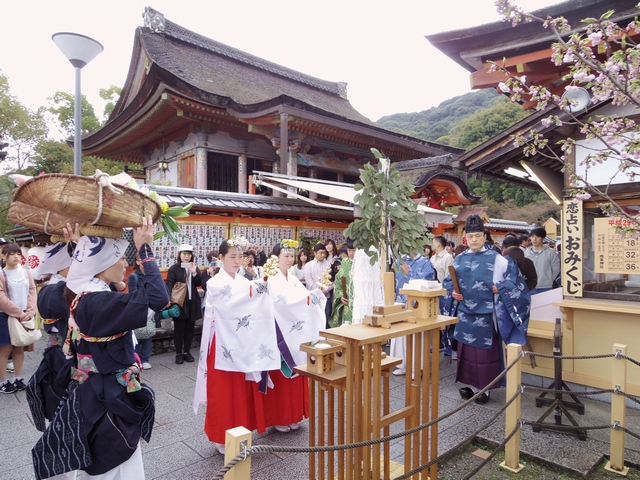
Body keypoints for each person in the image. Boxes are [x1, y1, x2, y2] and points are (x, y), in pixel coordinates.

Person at [33, 216, 169, 479]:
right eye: (120, 258)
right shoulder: (100, 304)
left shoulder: (79, 296)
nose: (125, 264)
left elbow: (81, 280)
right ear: (104, 265)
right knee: (116, 459)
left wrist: (78, 246)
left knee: (96, 454)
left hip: (89, 387)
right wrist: (145, 249)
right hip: (108, 394)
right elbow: (158, 298)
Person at [194, 237, 279, 454]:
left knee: (242, 391)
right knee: (223, 392)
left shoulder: (244, 282)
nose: (237, 260)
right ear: (220, 258)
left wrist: (261, 288)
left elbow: (252, 304)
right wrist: (256, 290)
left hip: (243, 342)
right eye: (232, 256)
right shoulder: (214, 283)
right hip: (223, 343)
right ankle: (220, 435)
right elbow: (231, 304)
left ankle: (241, 431)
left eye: (240, 256)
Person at [443, 214, 530, 404]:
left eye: (477, 236)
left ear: (484, 236)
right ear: (465, 238)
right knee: (466, 354)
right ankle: (472, 385)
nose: (473, 240)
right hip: (465, 314)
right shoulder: (458, 259)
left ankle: (486, 389)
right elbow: (449, 283)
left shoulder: (499, 259)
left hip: (488, 316)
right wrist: (453, 294)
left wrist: (502, 287)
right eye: (470, 236)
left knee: (484, 356)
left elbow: (516, 282)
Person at [262, 240, 325, 432]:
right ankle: (280, 417)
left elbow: (302, 296)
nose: (289, 260)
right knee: (281, 375)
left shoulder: (293, 278)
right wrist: (304, 299)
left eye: (291, 256)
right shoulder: (270, 278)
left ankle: (294, 414)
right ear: (276, 258)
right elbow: (280, 303)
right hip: (278, 332)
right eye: (285, 256)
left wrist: (315, 295)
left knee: (297, 374)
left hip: (295, 332)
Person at [27, 224, 78, 430]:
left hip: (58, 350)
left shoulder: (52, 287)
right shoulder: (59, 290)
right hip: (64, 352)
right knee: (66, 393)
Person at [391, 249, 435, 376]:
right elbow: (394, 278)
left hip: (416, 304)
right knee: (400, 335)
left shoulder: (425, 262)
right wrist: (391, 290)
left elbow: (428, 282)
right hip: (399, 302)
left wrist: (409, 272)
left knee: (416, 336)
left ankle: (416, 367)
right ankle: (402, 364)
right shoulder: (400, 260)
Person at [0, 243, 37, 394]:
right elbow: (1, 298)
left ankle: (18, 377)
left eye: (18, 254)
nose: (16, 257)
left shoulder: (26, 272)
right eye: (12, 254)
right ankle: (3, 381)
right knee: (5, 349)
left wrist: (30, 310)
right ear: (4, 256)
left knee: (19, 347)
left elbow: (32, 291)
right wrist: (19, 312)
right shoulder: (1, 274)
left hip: (24, 314)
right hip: (5, 315)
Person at [166, 244, 203, 364]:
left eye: (189, 254)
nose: (187, 257)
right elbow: (169, 285)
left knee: (189, 329)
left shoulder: (194, 267)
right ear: (179, 255)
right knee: (179, 329)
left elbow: (199, 283)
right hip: (180, 303)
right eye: (184, 254)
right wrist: (168, 299)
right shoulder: (174, 269)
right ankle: (178, 353)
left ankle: (187, 352)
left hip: (192, 302)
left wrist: (194, 273)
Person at [128, 255, 155, 370]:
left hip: (151, 308)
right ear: (137, 262)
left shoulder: (152, 275)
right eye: (140, 260)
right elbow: (133, 293)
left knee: (148, 334)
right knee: (137, 335)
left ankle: (146, 359)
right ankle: (135, 359)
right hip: (138, 308)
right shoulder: (133, 277)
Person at [430, 235, 455, 356]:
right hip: (433, 291)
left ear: (438, 244)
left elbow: (448, 276)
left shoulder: (448, 257)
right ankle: (438, 342)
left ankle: (448, 344)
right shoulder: (433, 257)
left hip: (445, 291)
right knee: (435, 316)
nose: (431, 244)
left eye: (433, 241)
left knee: (446, 317)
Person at [524, 227, 561, 295]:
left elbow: (556, 268)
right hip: (530, 287)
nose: (534, 239)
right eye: (532, 236)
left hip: (546, 287)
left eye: (537, 237)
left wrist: (550, 280)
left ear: (543, 238)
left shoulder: (551, 252)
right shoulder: (526, 253)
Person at [329, 240, 356, 327]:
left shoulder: (363, 264)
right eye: (349, 250)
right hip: (347, 302)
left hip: (359, 302)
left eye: (354, 250)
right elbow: (338, 282)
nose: (351, 253)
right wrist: (341, 296)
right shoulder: (344, 263)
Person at [304, 243, 332, 323]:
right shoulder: (308, 265)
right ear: (315, 253)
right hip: (313, 295)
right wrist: (318, 291)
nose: (323, 255)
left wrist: (326, 290)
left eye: (324, 253)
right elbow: (309, 282)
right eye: (321, 253)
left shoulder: (329, 264)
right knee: (313, 318)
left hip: (326, 296)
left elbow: (332, 280)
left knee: (325, 317)